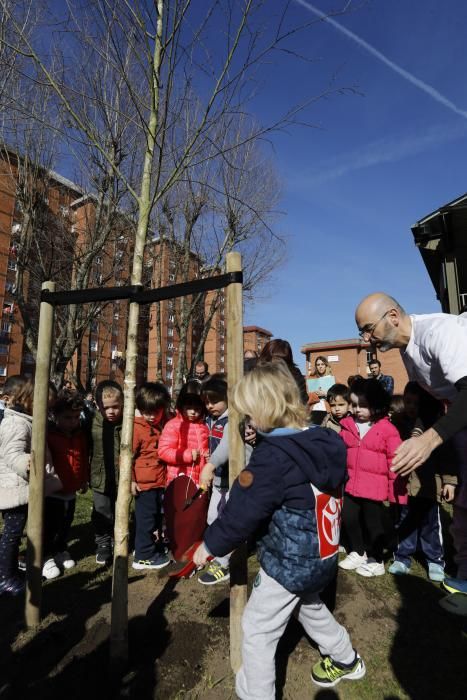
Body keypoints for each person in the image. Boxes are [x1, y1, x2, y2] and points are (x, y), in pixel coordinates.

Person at [193, 361, 365, 695]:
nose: (249, 423)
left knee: (257, 629)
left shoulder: (274, 458)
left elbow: (243, 513)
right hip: (323, 554)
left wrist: (209, 545)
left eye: (250, 415)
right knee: (308, 605)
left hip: (289, 561)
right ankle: (346, 659)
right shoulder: (321, 441)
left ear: (265, 411)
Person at [355, 291, 467, 593]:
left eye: (368, 328)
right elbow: (433, 400)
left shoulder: (440, 333)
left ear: (392, 316)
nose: (367, 339)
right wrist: (417, 436)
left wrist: (430, 440)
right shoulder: (408, 351)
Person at [388, 381, 456, 582]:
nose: (411, 407)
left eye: (416, 404)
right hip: (405, 486)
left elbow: (447, 457)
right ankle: (402, 557)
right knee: (405, 521)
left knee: (430, 525)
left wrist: (449, 481)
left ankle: (434, 559)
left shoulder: (436, 428)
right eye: (407, 401)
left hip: (429, 486)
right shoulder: (398, 425)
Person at [338, 378, 406, 577]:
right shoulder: (347, 426)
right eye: (354, 404)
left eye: (364, 405)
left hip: (374, 489)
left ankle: (376, 560)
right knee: (349, 518)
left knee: (373, 525)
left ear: (376, 405)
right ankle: (359, 551)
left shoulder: (388, 430)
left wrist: (397, 494)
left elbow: (395, 462)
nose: (358, 409)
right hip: (350, 485)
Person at [0, 377, 62, 595]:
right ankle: (5, 577)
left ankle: (12, 568)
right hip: (14, 488)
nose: (46, 410)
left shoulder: (27, 420)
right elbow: (11, 453)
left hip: (23, 487)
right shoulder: (15, 423)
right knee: (12, 533)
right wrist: (25, 463)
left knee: (17, 532)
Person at [158, 386, 209, 560]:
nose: (193, 412)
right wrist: (187, 455)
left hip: (200, 480)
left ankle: (192, 549)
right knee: (179, 516)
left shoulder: (203, 426)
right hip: (179, 478)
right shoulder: (174, 425)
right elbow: (164, 451)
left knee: (196, 516)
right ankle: (177, 549)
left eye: (197, 408)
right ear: (181, 406)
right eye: (189, 408)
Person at [45, 390, 89, 577]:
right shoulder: (49, 435)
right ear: (55, 416)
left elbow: (83, 457)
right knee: (49, 525)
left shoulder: (80, 435)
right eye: (67, 417)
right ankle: (45, 555)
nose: (72, 421)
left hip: (71, 490)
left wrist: (83, 479)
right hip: (52, 492)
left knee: (66, 523)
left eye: (76, 417)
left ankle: (60, 549)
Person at [131, 382, 172, 570]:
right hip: (144, 484)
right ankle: (143, 555)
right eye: (146, 411)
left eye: (155, 412)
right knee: (145, 520)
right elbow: (126, 457)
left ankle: (149, 547)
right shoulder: (136, 428)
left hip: (158, 481)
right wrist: (130, 480)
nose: (150, 416)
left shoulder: (161, 424)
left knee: (155, 518)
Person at [197, 376, 231, 584]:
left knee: (227, 520)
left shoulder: (233, 420)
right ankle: (216, 550)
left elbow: (228, 445)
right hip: (218, 480)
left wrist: (210, 465)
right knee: (212, 518)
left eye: (215, 400)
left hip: (233, 480)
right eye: (207, 402)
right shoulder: (211, 420)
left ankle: (224, 562)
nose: (210, 406)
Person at [89, 380, 124, 566]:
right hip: (99, 476)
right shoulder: (92, 422)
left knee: (120, 509)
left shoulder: (127, 422)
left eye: (115, 407)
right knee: (102, 510)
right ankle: (102, 543)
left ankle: (117, 538)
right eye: (106, 407)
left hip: (122, 477)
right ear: (98, 406)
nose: (111, 411)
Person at [259, 338, 308, 405]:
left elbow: (302, 400)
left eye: (283, 360)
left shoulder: (296, 375)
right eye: (274, 359)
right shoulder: (256, 375)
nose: (279, 364)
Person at [307, 356, 335, 424]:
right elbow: (306, 397)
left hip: (327, 410)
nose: (320, 366)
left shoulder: (331, 378)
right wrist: (316, 395)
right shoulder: (311, 379)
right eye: (318, 365)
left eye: (322, 364)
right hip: (314, 410)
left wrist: (326, 394)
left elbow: (337, 395)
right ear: (316, 366)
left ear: (326, 365)